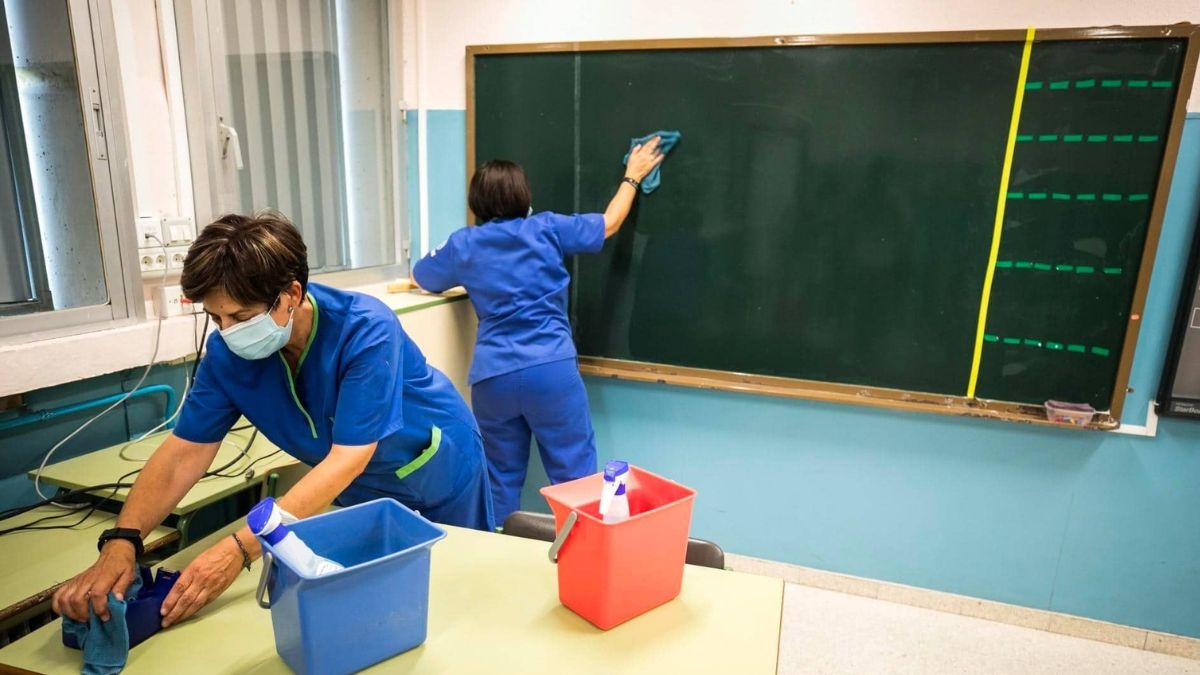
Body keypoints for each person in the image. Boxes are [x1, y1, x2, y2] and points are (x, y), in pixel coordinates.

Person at [53, 211, 493, 628]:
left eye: (241, 317)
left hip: (436, 464)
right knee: (385, 595)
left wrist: (240, 549)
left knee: (461, 589)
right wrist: (122, 541)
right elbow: (183, 453)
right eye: (216, 317)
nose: (226, 331)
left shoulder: (364, 328)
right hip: (355, 485)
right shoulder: (228, 354)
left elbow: (348, 458)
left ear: (292, 295)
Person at [413, 138, 663, 524]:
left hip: (492, 378)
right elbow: (610, 223)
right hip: (551, 371)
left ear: (475, 202)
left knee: (498, 478)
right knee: (575, 477)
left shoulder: (464, 245)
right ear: (522, 195)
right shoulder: (547, 228)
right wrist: (631, 177)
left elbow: (422, 277)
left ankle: (498, 557)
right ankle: (582, 560)